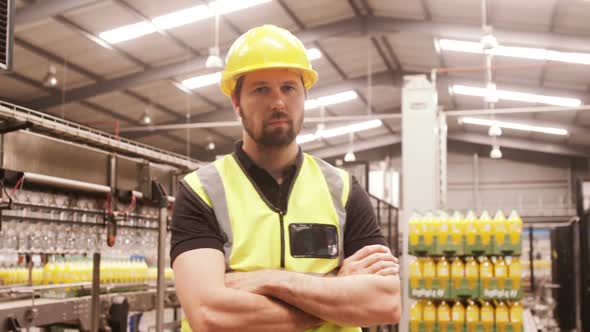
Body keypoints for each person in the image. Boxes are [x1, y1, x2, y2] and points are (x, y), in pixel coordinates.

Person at [171, 24, 401, 332]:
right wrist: (337, 291)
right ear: (236, 102)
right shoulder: (203, 191)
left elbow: (384, 304)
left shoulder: (343, 190)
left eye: (289, 88)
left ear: (304, 96)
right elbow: (211, 316)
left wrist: (271, 279)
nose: (278, 102)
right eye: (261, 89)